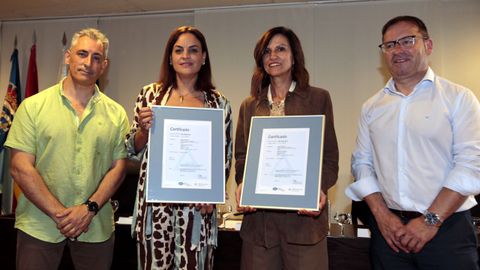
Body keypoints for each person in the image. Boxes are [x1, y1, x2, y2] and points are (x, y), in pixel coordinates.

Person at [346, 15, 480, 270]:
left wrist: (430, 221)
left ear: (428, 45)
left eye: (407, 41)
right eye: (390, 45)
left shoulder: (459, 98)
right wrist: (382, 216)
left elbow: (471, 166)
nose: (398, 50)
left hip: (447, 232)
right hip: (390, 234)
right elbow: (362, 163)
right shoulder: (372, 107)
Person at [5, 28, 129, 270]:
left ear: (104, 65)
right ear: (68, 57)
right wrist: (61, 214)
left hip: (96, 229)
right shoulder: (33, 106)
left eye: (96, 58)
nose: (88, 62)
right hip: (39, 228)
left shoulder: (117, 114)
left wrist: (89, 209)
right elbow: (19, 168)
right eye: (82, 54)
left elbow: (119, 167)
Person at [126, 26, 233, 270]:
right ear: (170, 58)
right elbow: (131, 149)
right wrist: (143, 130)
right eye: (179, 50)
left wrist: (213, 193)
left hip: (197, 214)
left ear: (204, 57)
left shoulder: (218, 103)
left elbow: (224, 159)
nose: (186, 56)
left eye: (193, 50)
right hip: (155, 212)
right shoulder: (150, 96)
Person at [234, 26, 339, 270]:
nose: (273, 56)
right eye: (267, 51)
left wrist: (318, 188)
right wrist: (243, 184)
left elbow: (330, 158)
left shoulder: (318, 98)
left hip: (304, 228)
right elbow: (242, 157)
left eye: (281, 49)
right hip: (259, 229)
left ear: (294, 57)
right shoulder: (249, 106)